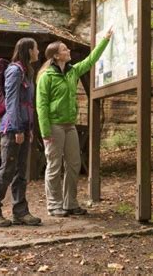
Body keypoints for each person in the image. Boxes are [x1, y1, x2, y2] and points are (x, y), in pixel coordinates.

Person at [36, 28, 113, 217]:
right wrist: (45, 132)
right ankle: (54, 204)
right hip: (53, 125)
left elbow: (90, 61)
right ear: (56, 56)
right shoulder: (47, 77)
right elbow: (41, 105)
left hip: (70, 125)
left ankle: (70, 203)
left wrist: (105, 40)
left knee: (74, 164)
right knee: (54, 165)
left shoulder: (72, 72)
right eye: (64, 49)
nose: (68, 50)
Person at [0, 38, 42, 227]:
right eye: (36, 49)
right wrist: (16, 128)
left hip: (24, 126)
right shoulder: (14, 71)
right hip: (12, 128)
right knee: (7, 170)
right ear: (28, 50)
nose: (38, 52)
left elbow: (28, 104)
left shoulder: (27, 72)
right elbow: (12, 102)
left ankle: (20, 212)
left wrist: (30, 128)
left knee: (21, 172)